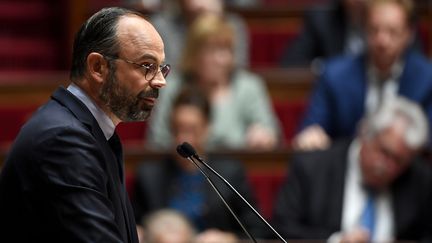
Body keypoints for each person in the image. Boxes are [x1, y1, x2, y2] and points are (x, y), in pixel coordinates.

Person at [0, 7, 169, 243]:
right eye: (147, 66)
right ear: (98, 67)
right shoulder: (63, 140)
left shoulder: (90, 130)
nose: (160, 81)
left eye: (162, 68)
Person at [273, 96, 432, 242]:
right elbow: (281, 230)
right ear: (365, 134)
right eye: (385, 152)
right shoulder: (313, 169)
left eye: (399, 161)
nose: (389, 166)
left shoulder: (419, 178)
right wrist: (335, 241)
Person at [293, 0, 432, 151]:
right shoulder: (335, 75)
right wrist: (311, 136)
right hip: (348, 168)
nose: (382, 41)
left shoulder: (426, 79)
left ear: (409, 34)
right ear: (364, 29)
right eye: (374, 30)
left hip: (406, 167)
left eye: (392, 32)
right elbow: (312, 128)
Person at [132, 87, 266, 242]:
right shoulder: (149, 176)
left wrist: (230, 238)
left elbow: (259, 231)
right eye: (177, 129)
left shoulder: (229, 173)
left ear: (207, 128)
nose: (182, 138)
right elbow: (133, 226)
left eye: (192, 130)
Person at [146, 13, 280, 151]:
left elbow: (271, 133)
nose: (220, 59)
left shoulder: (248, 87)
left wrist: (263, 136)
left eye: (226, 50)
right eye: (211, 50)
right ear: (193, 54)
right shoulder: (173, 87)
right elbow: (158, 140)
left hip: (234, 169)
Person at [280, 0, 424, 69]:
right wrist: (326, 69)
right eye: (374, 30)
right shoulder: (321, 19)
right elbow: (290, 64)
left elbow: (417, 64)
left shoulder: (395, 17)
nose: (382, 40)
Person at [149, 0, 250, 68]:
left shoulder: (233, 24)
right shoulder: (162, 25)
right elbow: (166, 69)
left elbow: (238, 67)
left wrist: (214, 21)